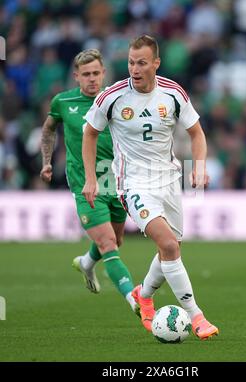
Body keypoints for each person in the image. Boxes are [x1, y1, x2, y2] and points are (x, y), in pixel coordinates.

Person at [81, 36, 219, 340]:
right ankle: (197, 316)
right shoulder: (113, 96)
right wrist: (92, 178)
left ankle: (144, 294)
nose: (135, 68)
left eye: (142, 62)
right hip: (133, 184)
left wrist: (198, 166)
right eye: (131, 62)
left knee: (172, 249)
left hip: (169, 180)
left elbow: (196, 133)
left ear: (156, 63)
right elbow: (89, 135)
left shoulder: (173, 93)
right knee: (168, 246)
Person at [40, 49, 139, 315]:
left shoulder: (116, 99)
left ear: (103, 73)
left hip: (116, 181)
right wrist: (47, 161)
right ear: (76, 77)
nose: (92, 79)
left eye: (96, 73)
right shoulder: (63, 102)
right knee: (108, 243)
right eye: (86, 74)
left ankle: (86, 262)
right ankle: (135, 300)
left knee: (116, 240)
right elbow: (49, 128)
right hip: (85, 184)